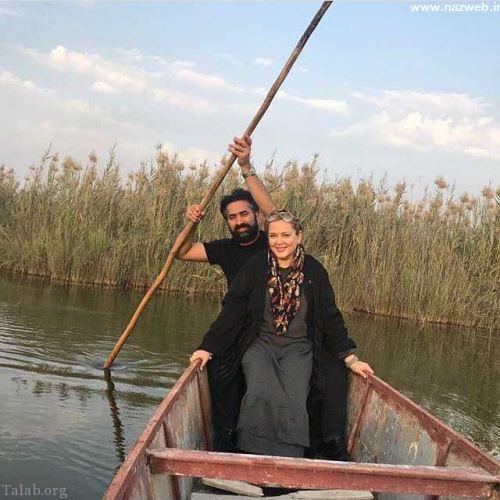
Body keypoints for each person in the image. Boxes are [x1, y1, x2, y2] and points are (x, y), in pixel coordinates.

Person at [190, 210, 374, 459]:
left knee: (294, 396)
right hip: (260, 344)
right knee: (259, 388)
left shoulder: (314, 271)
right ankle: (249, 454)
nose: (279, 242)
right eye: (273, 235)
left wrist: (351, 359)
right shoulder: (256, 265)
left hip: (299, 348)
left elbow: (330, 316)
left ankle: (289, 457)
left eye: (286, 235)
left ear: (298, 236)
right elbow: (233, 309)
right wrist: (207, 347)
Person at [176, 135, 276, 287]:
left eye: (244, 214)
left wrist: (245, 166)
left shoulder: (274, 243)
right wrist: (193, 222)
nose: (239, 221)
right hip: (234, 303)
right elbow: (181, 252)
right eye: (232, 217)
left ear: (256, 213)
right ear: (227, 221)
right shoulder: (224, 249)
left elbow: (273, 214)